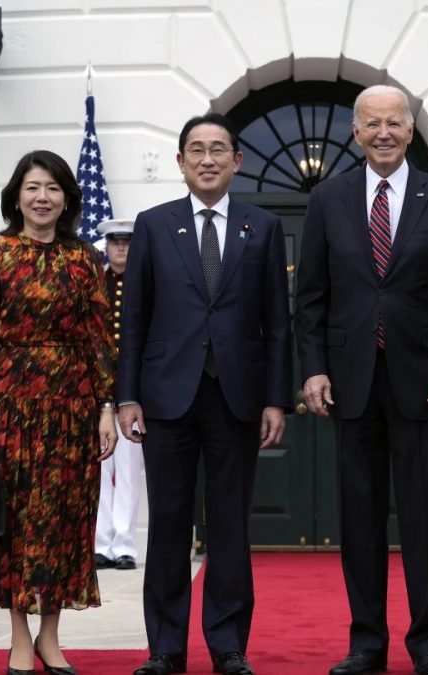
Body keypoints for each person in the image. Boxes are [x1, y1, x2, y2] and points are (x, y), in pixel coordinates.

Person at [294, 85, 428, 675]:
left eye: (393, 123)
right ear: (355, 132)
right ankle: (366, 643)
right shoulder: (328, 199)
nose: (383, 133)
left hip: (424, 386)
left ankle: (427, 645)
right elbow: (311, 297)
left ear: (409, 130)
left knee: (423, 518)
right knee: (360, 519)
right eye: (371, 124)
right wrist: (313, 367)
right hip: (351, 382)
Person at [117, 113, 292, 675]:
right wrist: (126, 396)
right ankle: (165, 648)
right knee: (168, 523)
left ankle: (228, 646)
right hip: (166, 397)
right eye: (196, 149)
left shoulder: (263, 227)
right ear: (180, 162)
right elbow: (134, 318)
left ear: (236, 161)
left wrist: (276, 399)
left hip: (237, 397)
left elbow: (278, 321)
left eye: (219, 149)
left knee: (230, 526)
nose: (208, 159)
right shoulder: (153, 225)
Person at [0, 150, 119, 675]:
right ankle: (20, 638)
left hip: (73, 408)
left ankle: (51, 637)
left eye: (52, 188)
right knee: (17, 526)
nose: (42, 198)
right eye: (32, 188)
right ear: (16, 197)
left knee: (65, 522)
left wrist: (106, 406)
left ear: (67, 198)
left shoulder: (84, 258)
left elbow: (99, 338)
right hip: (11, 409)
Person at [93, 218, 145, 572]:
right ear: (107, 247)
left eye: (126, 243)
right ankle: (100, 543)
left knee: (128, 470)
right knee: (99, 469)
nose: (121, 248)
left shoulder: (143, 283)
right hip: (99, 390)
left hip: (133, 391)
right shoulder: (96, 283)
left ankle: (124, 544)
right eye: (115, 243)